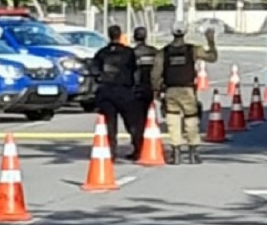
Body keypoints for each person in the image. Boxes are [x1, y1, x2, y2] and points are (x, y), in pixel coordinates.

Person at [151, 21, 218, 164]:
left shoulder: (163, 52)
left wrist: (156, 89)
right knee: (191, 119)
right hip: (187, 90)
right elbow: (212, 57)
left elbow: (156, 73)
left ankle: (176, 154)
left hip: (170, 90)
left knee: (172, 120)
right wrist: (211, 41)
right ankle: (193, 153)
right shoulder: (192, 50)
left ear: (172, 32)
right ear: (185, 32)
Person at [90, 24, 143, 160]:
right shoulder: (128, 52)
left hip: (107, 91)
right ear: (120, 35)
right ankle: (138, 149)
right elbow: (135, 70)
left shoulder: (102, 53)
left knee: (109, 125)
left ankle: (111, 152)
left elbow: (94, 71)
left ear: (108, 35)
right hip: (124, 91)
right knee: (132, 123)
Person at [131, 26, 160, 134]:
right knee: (149, 110)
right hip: (151, 86)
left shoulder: (131, 53)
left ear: (134, 37)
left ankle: (139, 135)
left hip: (137, 87)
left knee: (137, 115)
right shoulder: (154, 52)